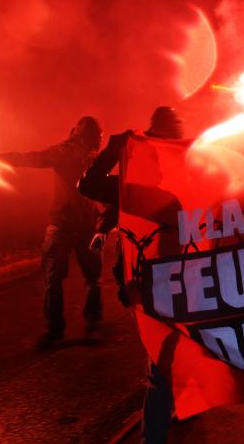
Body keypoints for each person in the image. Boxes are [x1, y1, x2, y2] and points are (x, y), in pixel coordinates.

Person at [78, 106, 183, 444]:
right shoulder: (132, 186)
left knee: (173, 360)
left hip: (189, 283)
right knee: (161, 363)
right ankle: (157, 429)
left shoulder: (192, 176)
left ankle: (174, 410)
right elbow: (89, 184)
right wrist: (114, 149)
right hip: (153, 285)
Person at [0, 116, 104, 349]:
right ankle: (78, 328)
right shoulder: (83, 154)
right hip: (69, 225)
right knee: (83, 279)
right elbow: (29, 158)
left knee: (63, 279)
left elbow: (29, 158)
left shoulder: (88, 155)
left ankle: (60, 330)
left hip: (76, 225)